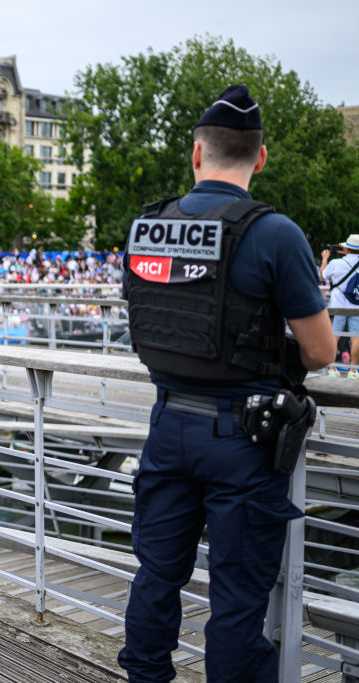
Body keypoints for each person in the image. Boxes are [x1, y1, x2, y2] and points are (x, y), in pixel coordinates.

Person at [118, 85, 336, 682]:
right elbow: (321, 352)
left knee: (156, 575)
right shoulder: (275, 233)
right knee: (237, 600)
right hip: (243, 439)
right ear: (260, 158)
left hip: (167, 426)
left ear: (197, 153)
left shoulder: (147, 226)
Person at [319, 234, 359, 378]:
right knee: (356, 338)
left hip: (337, 306)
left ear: (347, 249)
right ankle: (353, 371)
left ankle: (332, 368)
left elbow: (322, 276)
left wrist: (325, 259)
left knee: (334, 336)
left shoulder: (336, 263)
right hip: (356, 307)